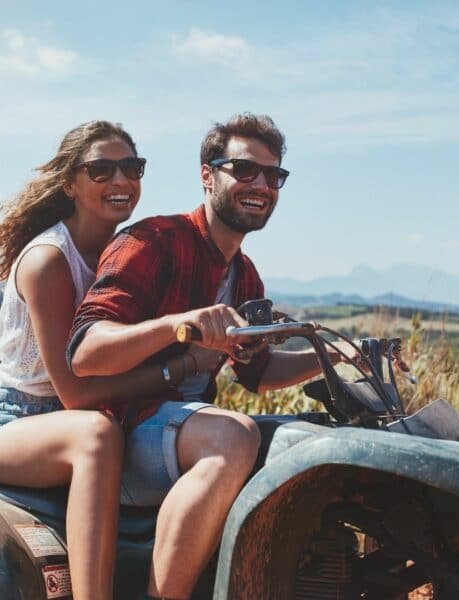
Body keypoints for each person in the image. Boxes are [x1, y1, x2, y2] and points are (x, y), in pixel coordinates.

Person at [67, 113, 344, 599]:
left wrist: (334, 355)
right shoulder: (151, 241)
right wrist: (183, 326)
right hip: (128, 429)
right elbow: (86, 351)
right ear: (207, 174)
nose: (260, 184)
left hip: (180, 434)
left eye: (273, 176)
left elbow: (255, 374)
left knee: (310, 440)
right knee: (233, 435)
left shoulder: (245, 275)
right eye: (243, 169)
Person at [0, 121, 207, 600]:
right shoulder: (50, 261)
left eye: (131, 167)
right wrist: (179, 368)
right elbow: (74, 393)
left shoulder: (125, 254)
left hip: (77, 417)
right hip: (19, 421)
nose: (120, 180)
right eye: (101, 169)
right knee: (94, 436)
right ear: (70, 183)